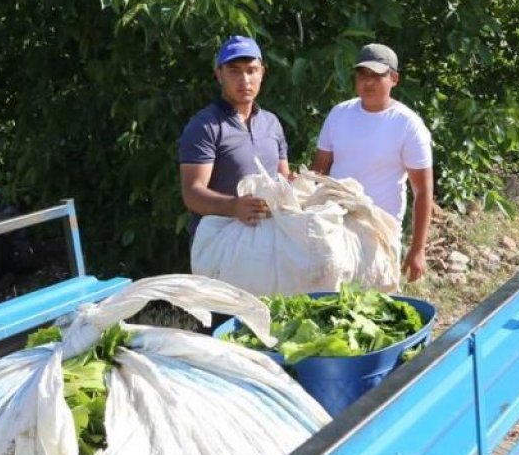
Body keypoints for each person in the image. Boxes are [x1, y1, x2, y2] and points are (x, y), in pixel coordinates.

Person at [309, 43, 434, 282]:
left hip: (379, 231)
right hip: (334, 224)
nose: (368, 83)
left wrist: (418, 249)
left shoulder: (407, 125)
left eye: (377, 76)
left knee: (374, 303)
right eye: (362, 75)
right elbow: (319, 170)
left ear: (394, 78)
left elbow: (423, 190)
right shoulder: (339, 114)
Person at [178, 35, 290, 241]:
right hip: (219, 241)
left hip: (268, 239)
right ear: (219, 75)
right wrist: (233, 206)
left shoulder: (271, 123)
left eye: (251, 70)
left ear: (262, 73)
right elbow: (192, 193)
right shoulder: (204, 125)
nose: (244, 80)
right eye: (234, 71)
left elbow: (283, 179)